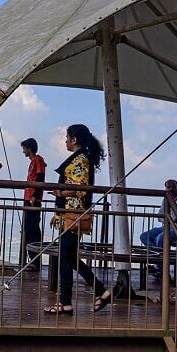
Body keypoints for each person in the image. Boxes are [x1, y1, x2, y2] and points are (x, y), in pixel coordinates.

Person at [45, 123, 112, 314]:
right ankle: (101, 291)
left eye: (67, 138)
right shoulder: (82, 158)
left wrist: (59, 192)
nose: (65, 141)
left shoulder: (80, 160)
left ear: (74, 139)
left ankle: (65, 302)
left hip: (73, 215)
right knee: (69, 257)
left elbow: (79, 188)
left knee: (65, 258)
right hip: (70, 214)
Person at [140, 179, 177, 251]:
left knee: (160, 238)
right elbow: (160, 215)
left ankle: (161, 255)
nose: (171, 189)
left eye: (173, 187)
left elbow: (173, 218)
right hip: (168, 226)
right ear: (166, 188)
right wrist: (166, 217)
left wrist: (166, 217)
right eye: (168, 187)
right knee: (144, 236)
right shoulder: (166, 198)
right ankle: (159, 252)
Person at [21, 138, 47, 262]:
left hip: (33, 199)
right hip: (29, 197)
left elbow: (40, 177)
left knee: (33, 230)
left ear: (29, 148)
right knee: (29, 229)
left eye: (24, 149)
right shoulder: (34, 161)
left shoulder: (38, 160)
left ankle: (34, 260)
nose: (23, 151)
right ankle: (31, 259)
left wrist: (35, 196)